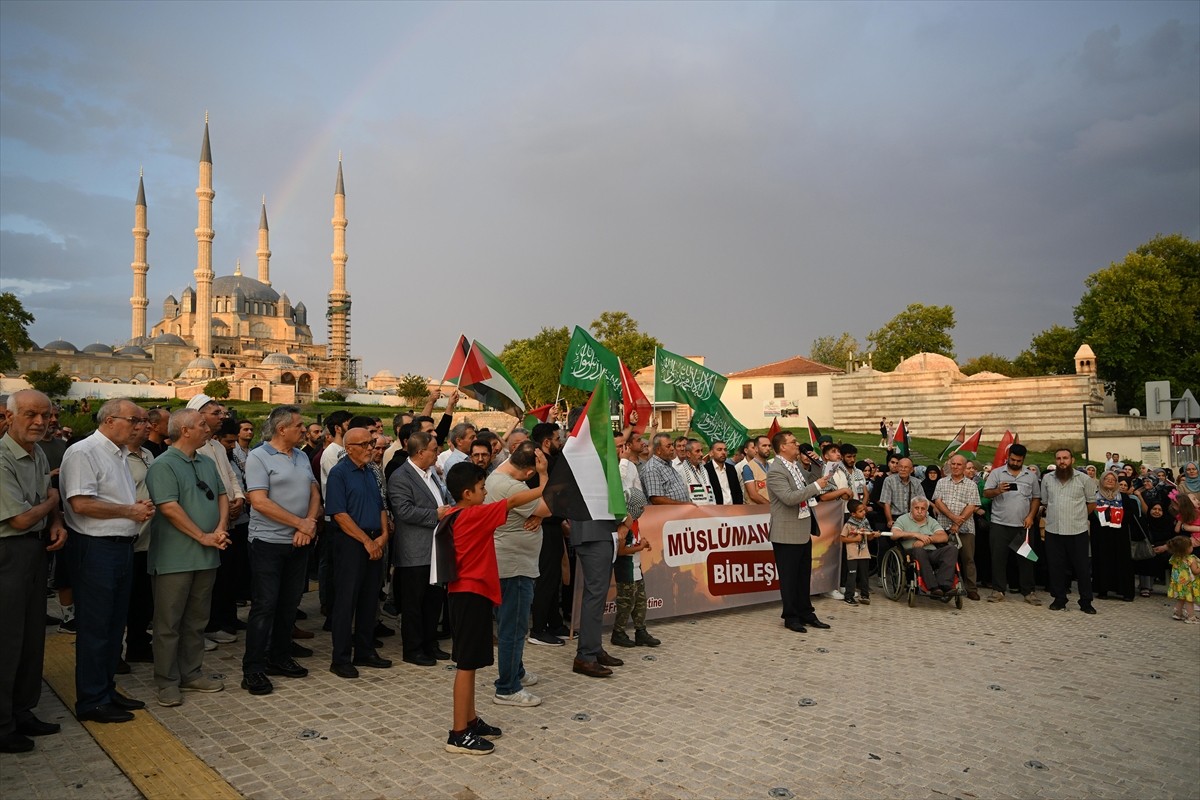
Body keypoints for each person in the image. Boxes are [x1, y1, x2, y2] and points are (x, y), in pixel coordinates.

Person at [441, 461, 547, 755]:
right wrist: (545, 483)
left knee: (471, 663)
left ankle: (470, 719)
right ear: (467, 492)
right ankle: (458, 733)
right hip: (469, 594)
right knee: (465, 665)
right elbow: (512, 501)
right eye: (481, 488)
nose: (486, 492)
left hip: (467, 594)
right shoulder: (475, 515)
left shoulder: (455, 512)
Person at [60, 399, 156, 723]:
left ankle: (106, 690)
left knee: (115, 625)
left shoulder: (117, 454)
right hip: (96, 547)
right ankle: (91, 700)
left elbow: (112, 499)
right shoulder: (84, 452)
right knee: (96, 627)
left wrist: (134, 507)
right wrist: (130, 511)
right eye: (134, 419)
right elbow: (81, 504)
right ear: (110, 420)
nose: (140, 425)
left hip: (120, 546)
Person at [145, 409, 230, 707]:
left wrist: (220, 528)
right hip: (174, 558)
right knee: (168, 623)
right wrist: (203, 536)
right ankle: (167, 681)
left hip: (207, 556)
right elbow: (169, 508)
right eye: (202, 424)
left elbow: (222, 495)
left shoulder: (205, 462)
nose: (208, 428)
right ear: (184, 430)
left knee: (196, 620)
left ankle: (191, 673)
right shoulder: (163, 465)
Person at [0, 390, 68, 752]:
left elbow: (41, 501)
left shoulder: (37, 452)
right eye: (30, 414)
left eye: (45, 415)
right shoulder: (1, 458)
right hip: (8, 552)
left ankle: (22, 710)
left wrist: (55, 519)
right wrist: (53, 503)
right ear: (9, 417)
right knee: (7, 639)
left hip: (34, 549)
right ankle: (1, 723)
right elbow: (22, 517)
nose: (40, 422)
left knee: (31, 637)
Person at [241, 406, 321, 696]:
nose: (304, 429)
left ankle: (279, 656)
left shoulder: (300, 456)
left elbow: (314, 493)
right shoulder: (258, 457)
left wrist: (307, 525)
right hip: (268, 543)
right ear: (281, 429)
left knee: (290, 603)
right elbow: (259, 501)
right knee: (264, 606)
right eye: (299, 425)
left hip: (299, 541)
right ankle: (253, 669)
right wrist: (300, 523)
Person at [484, 441, 549, 707]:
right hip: (514, 566)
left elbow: (540, 510)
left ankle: (516, 670)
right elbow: (549, 504)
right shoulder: (511, 486)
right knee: (514, 626)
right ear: (529, 472)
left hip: (511, 562)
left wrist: (540, 516)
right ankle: (508, 687)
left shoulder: (500, 475)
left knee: (511, 622)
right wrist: (545, 478)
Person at [324, 427, 391, 679]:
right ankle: (340, 658)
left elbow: (380, 505)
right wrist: (367, 541)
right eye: (364, 444)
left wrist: (383, 536)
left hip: (375, 539)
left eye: (371, 443)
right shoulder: (339, 473)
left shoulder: (371, 472)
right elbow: (339, 514)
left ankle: (365, 649)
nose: (370, 448)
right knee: (346, 600)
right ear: (349, 448)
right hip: (352, 542)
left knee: (369, 597)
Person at [388, 430, 453, 666]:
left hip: (436, 549)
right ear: (420, 452)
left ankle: (430, 643)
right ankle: (413, 649)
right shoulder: (401, 476)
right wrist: (435, 514)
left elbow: (442, 498)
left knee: (433, 600)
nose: (437, 454)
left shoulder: (431, 473)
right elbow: (403, 511)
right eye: (434, 449)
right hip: (414, 552)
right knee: (414, 603)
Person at [766, 431, 833, 633]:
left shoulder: (794, 466)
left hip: (803, 529)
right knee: (789, 578)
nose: (797, 445)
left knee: (803, 576)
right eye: (793, 442)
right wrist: (815, 486)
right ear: (782, 447)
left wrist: (816, 465)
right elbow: (789, 498)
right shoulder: (776, 470)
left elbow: (810, 481)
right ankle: (791, 616)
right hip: (786, 532)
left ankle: (806, 612)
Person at [983, 444, 1042, 604]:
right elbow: (986, 493)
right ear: (1008, 457)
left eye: (1019, 460)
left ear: (1023, 460)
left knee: (1027, 560)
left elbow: (1036, 498)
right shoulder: (996, 473)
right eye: (1013, 459)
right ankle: (998, 590)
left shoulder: (1030, 476)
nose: (1015, 463)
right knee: (998, 559)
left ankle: (1029, 592)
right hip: (999, 525)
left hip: (1023, 526)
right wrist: (998, 490)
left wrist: (1031, 516)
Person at [1041, 448, 1098, 614]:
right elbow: (1045, 502)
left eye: (1065, 458)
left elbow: (1091, 503)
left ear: (1072, 460)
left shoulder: (1085, 479)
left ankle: (1086, 601)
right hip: (1054, 530)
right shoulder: (1047, 479)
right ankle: (1059, 599)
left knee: (1081, 568)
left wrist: (1078, 517)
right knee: (1056, 566)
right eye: (1058, 458)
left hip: (1077, 530)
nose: (1062, 461)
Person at [932, 454, 982, 600]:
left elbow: (971, 506)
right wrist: (953, 518)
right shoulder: (941, 482)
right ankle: (943, 587)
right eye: (953, 464)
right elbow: (938, 502)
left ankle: (971, 588)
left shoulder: (971, 485)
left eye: (958, 464)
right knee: (944, 558)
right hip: (943, 527)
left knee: (968, 558)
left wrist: (957, 523)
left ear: (964, 466)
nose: (955, 467)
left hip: (965, 528)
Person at [891, 497, 959, 595]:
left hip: (931, 552)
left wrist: (926, 540)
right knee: (919, 550)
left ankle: (945, 585)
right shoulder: (902, 519)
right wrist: (915, 534)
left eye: (922, 509)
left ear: (927, 510)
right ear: (911, 508)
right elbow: (894, 534)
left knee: (952, 549)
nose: (919, 511)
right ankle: (933, 587)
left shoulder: (931, 521)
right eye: (916, 508)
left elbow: (944, 536)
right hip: (911, 552)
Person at [1090, 471, 1138, 602]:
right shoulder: (1094, 497)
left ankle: (1125, 591)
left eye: (1113, 479)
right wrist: (1108, 515)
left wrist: (1114, 515)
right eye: (1107, 479)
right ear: (1101, 481)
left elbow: (1130, 514)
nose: (1110, 481)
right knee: (1102, 560)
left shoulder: (1123, 497)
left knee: (1122, 562)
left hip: (1119, 535)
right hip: (1101, 535)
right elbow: (1089, 514)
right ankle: (1103, 590)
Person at [839, 499, 876, 605]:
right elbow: (842, 538)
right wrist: (855, 539)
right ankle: (848, 596)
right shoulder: (849, 524)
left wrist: (872, 535)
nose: (864, 512)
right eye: (860, 511)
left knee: (864, 575)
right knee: (852, 575)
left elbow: (869, 538)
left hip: (864, 553)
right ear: (853, 514)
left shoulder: (865, 522)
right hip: (853, 554)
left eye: (863, 510)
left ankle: (865, 595)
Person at [642, 433, 691, 505]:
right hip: (666, 514)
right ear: (658, 450)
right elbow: (656, 499)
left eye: (672, 445)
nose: (672, 448)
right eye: (668, 446)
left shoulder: (667, 464)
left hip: (679, 512)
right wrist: (682, 504)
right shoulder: (652, 469)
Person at [880, 457, 925, 530]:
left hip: (913, 518)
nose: (903, 469)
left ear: (911, 470)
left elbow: (922, 501)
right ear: (897, 468)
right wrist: (889, 520)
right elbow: (886, 503)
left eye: (906, 467)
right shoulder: (889, 480)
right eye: (900, 467)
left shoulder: (916, 482)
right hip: (896, 518)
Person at [1166, 536, 1200, 622]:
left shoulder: (1174, 557)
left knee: (1180, 598)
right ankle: (1191, 616)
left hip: (1179, 583)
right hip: (1188, 584)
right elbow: (1195, 571)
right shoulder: (1191, 559)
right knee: (1189, 600)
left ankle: (1177, 613)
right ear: (1186, 549)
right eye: (1191, 546)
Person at [704, 440, 743, 505]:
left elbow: (737, 491)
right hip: (716, 509)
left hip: (733, 509)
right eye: (719, 450)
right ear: (711, 453)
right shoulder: (706, 469)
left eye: (725, 450)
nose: (723, 452)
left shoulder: (731, 468)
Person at [677, 439, 714, 505]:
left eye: (702, 451)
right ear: (688, 454)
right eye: (697, 451)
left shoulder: (704, 470)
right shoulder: (681, 471)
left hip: (709, 509)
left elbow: (710, 492)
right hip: (693, 511)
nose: (701, 454)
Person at [740, 436, 771, 505]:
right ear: (756, 449)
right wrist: (770, 506)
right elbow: (753, 495)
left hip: (774, 511)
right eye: (764, 446)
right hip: (757, 511)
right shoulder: (748, 468)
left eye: (769, 446)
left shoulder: (772, 466)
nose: (768, 448)